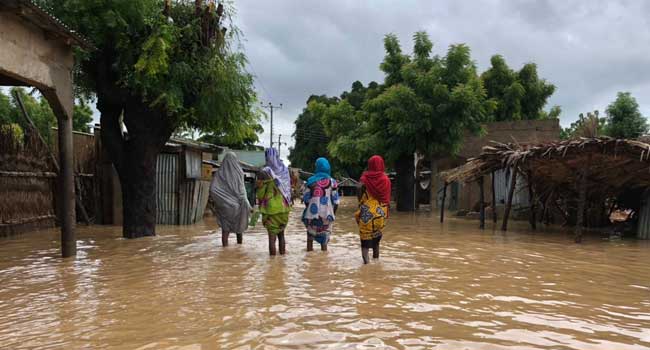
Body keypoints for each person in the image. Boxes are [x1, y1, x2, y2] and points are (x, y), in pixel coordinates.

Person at [209, 152, 251, 247]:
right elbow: (241, 191)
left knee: (225, 230)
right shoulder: (239, 172)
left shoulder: (219, 173)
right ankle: (239, 247)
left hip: (224, 207)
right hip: (237, 206)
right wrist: (247, 204)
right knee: (239, 228)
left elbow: (213, 189)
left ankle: (225, 250)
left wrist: (221, 201)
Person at [355, 155, 391, 264]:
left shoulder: (365, 178)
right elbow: (387, 198)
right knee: (376, 241)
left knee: (365, 244)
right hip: (381, 214)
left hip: (367, 214)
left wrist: (361, 201)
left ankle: (366, 267)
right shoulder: (386, 179)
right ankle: (376, 264)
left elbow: (358, 187)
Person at [256, 148, 292, 256]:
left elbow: (261, 194)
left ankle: (272, 265)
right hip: (284, 209)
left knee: (271, 238)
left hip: (270, 211)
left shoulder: (265, 172)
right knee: (281, 235)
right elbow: (288, 189)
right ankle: (282, 259)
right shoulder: (285, 170)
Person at [302, 157, 340, 252]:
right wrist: (333, 214)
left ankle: (310, 258)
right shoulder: (333, 182)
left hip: (312, 214)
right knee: (324, 240)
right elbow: (336, 201)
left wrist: (309, 211)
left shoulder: (310, 181)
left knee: (310, 237)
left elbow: (306, 199)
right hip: (327, 214)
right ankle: (324, 260)